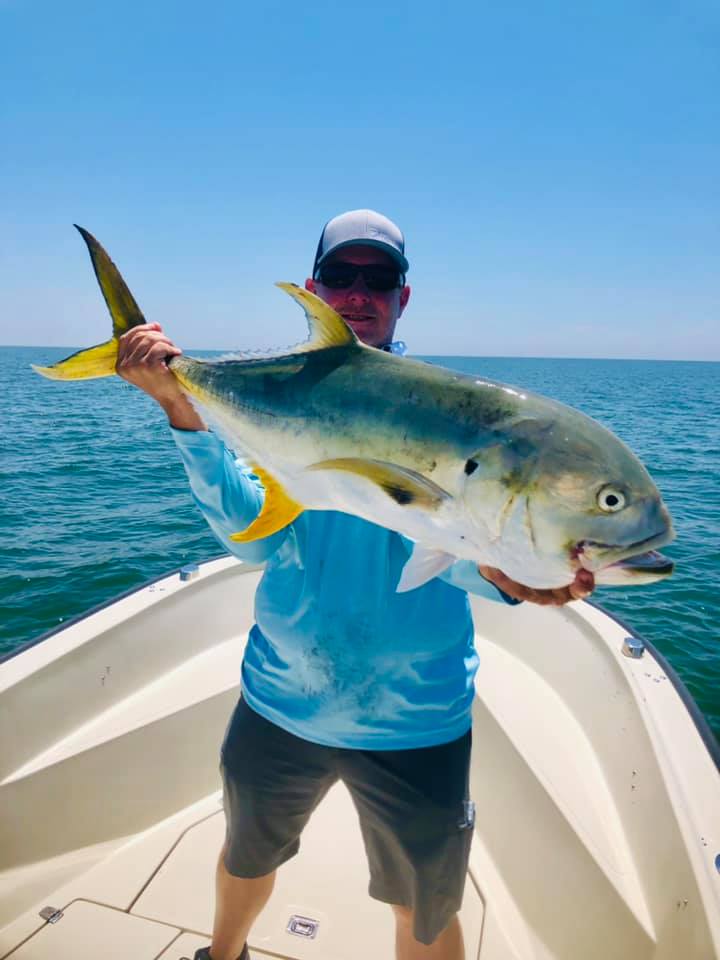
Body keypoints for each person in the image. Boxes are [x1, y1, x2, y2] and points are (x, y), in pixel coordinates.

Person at [116, 210, 594, 960]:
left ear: (405, 296)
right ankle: (223, 957)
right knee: (245, 860)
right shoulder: (281, 393)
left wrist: (514, 576)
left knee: (424, 909)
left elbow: (462, 545)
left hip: (417, 722)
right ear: (315, 289)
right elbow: (257, 537)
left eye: (379, 279)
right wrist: (181, 405)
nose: (358, 293)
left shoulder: (449, 413)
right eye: (341, 276)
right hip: (279, 701)